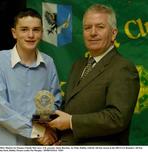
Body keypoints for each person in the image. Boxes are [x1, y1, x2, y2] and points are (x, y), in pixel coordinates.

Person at [49, 4, 140, 145]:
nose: (92, 32)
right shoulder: (78, 65)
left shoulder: (123, 68)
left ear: (114, 33)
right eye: (87, 28)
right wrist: (51, 131)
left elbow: (117, 118)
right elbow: (69, 108)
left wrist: (71, 122)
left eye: (100, 27)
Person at [0, 8, 61, 145]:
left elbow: (54, 103)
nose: (30, 35)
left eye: (36, 30)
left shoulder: (49, 63)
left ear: (42, 33)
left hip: (38, 144)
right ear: (14, 33)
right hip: (5, 144)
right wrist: (36, 131)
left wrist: (44, 129)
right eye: (24, 29)